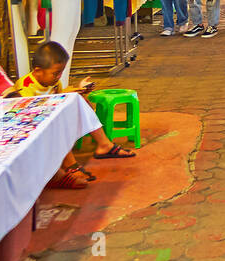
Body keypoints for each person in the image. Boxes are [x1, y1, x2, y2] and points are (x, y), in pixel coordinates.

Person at [7, 41, 136, 187]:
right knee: (57, 121)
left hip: (52, 119)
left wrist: (79, 91)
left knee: (79, 101)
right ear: (38, 71)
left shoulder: (52, 82)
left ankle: (104, 144)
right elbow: (30, 114)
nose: (58, 77)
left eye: (60, 73)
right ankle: (70, 165)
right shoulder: (25, 87)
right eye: (55, 73)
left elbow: (58, 98)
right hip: (36, 130)